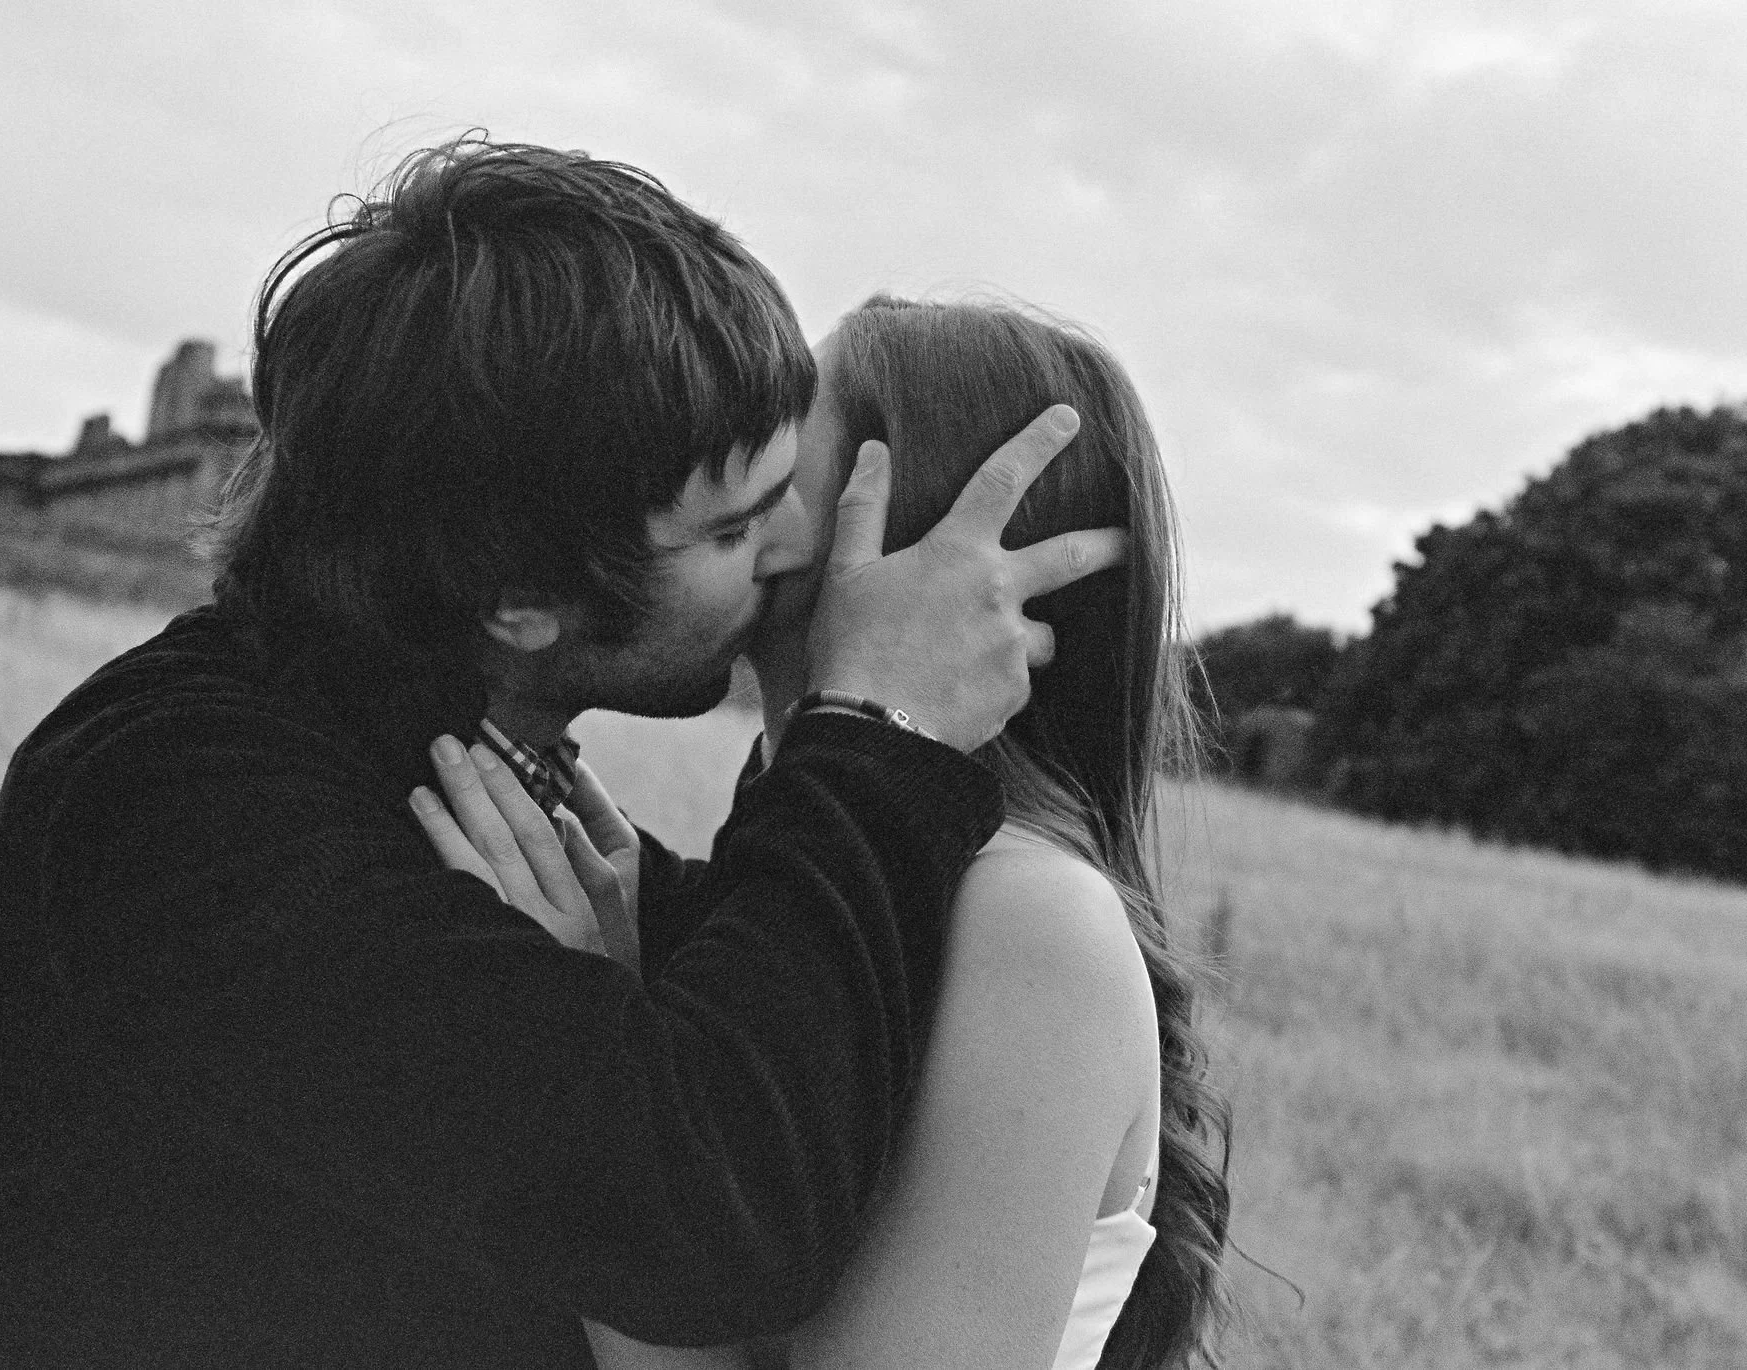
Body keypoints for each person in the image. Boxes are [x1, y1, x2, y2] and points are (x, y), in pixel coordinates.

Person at [0, 139, 1127, 1367]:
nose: (789, 554)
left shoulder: (437, 761)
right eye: (730, 526)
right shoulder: (186, 813)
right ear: (521, 601)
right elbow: (711, 1232)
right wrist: (881, 734)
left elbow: (764, 1011)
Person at [421, 296, 1231, 1368]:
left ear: (885, 516)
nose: (725, 442)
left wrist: (569, 1055)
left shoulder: (1025, 916)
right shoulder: (825, 847)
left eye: (783, 420)